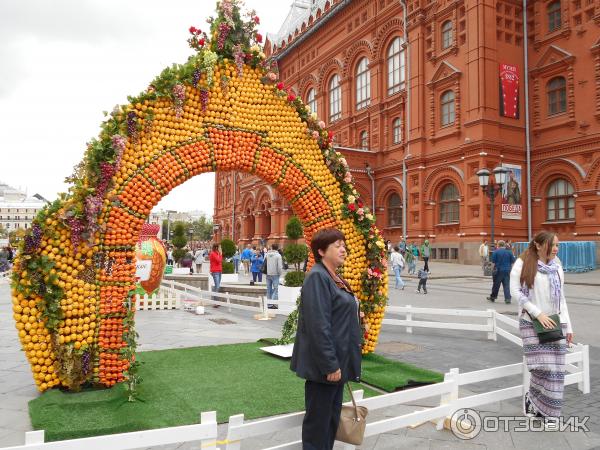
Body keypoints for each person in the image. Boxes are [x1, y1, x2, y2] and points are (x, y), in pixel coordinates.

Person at [290, 228, 362, 450]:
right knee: (318, 427)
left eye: (344, 244)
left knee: (330, 423)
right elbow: (318, 326)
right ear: (321, 251)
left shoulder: (333, 277)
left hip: (337, 365)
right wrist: (330, 364)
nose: (343, 249)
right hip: (325, 369)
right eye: (337, 245)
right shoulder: (318, 277)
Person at [510, 231, 573, 423]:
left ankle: (547, 412)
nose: (555, 249)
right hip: (530, 321)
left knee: (556, 371)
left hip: (554, 322)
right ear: (538, 245)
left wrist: (568, 326)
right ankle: (532, 398)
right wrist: (538, 313)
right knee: (541, 366)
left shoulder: (557, 267)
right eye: (551, 245)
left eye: (557, 246)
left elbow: (561, 298)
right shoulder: (523, 263)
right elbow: (515, 292)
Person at [265, 243, 284, 308]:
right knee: (276, 289)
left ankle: (268, 303)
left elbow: (264, 263)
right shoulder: (278, 256)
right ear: (277, 248)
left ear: (272, 247)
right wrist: (280, 273)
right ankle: (272, 303)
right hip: (275, 274)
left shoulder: (267, 254)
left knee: (268, 289)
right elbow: (279, 266)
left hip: (268, 273)